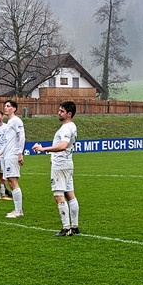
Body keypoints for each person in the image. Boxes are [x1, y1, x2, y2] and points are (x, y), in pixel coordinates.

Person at [33, 101, 81, 237]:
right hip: (67, 163)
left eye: (62, 111)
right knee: (70, 195)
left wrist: (44, 149)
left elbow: (63, 145)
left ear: (69, 114)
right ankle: (75, 226)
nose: (58, 113)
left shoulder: (66, 128)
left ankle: (66, 229)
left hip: (60, 165)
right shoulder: (72, 126)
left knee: (58, 195)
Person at [0, 99, 26, 218]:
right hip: (7, 156)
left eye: (8, 106)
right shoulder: (9, 123)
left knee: (13, 182)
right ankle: (17, 209)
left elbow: (22, 136)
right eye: (5, 106)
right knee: (11, 183)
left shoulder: (16, 121)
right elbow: (7, 142)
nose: (5, 108)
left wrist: (20, 153)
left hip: (13, 155)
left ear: (14, 109)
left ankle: (18, 211)